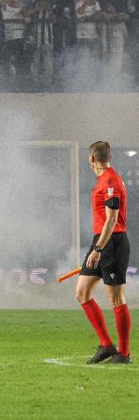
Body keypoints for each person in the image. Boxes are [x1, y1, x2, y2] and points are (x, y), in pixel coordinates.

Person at [76, 141, 132, 364]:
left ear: (91, 159)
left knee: (116, 299)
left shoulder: (110, 182)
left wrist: (98, 249)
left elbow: (112, 220)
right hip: (100, 240)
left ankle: (124, 354)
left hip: (112, 242)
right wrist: (97, 246)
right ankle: (107, 346)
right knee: (82, 293)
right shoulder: (104, 180)